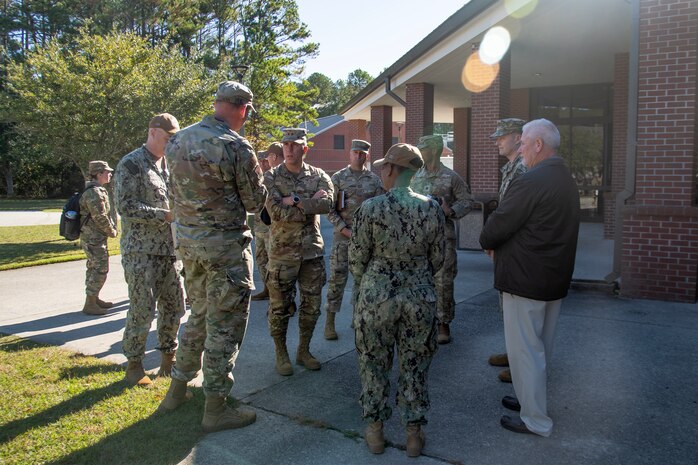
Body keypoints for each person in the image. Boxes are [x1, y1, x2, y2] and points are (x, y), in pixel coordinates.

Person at [158, 81, 267, 433]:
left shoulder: (177, 140)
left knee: (199, 317)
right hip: (224, 250)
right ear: (243, 108)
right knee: (226, 327)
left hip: (190, 245)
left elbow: (173, 192)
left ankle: (175, 392)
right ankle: (216, 408)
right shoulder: (235, 146)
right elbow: (254, 202)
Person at [479, 119, 580, 437]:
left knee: (526, 351)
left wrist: (487, 242)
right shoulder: (564, 176)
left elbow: (499, 224)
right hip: (551, 278)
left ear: (539, 145)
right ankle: (527, 400)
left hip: (525, 279)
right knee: (540, 349)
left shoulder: (531, 180)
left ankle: (535, 419)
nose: (520, 147)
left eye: (523, 141)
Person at [350, 143, 445, 458]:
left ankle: (375, 432)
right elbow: (438, 258)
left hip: (377, 297)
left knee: (374, 363)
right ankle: (413, 436)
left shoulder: (371, 208)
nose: (382, 172)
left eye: (384, 167)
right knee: (415, 364)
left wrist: (369, 286)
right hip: (419, 297)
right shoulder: (431, 208)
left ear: (392, 170)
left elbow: (358, 258)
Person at [113, 113, 186, 387]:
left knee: (174, 306)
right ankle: (134, 365)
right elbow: (125, 206)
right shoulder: (132, 164)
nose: (171, 143)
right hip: (141, 251)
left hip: (169, 250)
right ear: (153, 132)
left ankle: (168, 359)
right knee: (142, 307)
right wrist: (163, 215)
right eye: (168, 138)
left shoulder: (168, 166)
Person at [264, 127, 333, 376]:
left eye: (294, 145)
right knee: (279, 307)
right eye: (285, 144)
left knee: (311, 305)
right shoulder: (271, 177)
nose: (289, 149)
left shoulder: (319, 175)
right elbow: (275, 212)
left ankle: (304, 350)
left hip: (311, 253)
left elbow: (327, 203)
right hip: (282, 253)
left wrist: (291, 200)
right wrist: (306, 203)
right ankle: (280, 353)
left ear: (304, 148)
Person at [410, 134, 473, 344]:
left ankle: (443, 323)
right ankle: (422, 321)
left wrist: (450, 211)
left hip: (443, 238)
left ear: (435, 150)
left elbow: (467, 201)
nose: (421, 152)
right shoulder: (415, 176)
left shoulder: (451, 177)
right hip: (419, 238)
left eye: (424, 148)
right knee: (419, 279)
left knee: (443, 282)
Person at [324, 139, 384, 340]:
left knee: (362, 280)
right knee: (337, 280)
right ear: (350, 154)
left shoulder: (375, 181)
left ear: (367, 156)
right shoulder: (339, 178)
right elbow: (329, 209)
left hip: (365, 241)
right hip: (342, 238)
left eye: (362, 153)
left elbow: (379, 210)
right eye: (355, 152)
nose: (359, 156)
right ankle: (329, 323)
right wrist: (344, 229)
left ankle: (357, 318)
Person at [487, 118, 527, 384]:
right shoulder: (510, 168)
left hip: (516, 249)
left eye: (502, 136)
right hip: (506, 247)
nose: (497, 141)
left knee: (518, 309)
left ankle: (522, 365)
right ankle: (514, 354)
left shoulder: (523, 169)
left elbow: (517, 214)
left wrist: (496, 239)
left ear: (517, 137)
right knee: (507, 306)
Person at [79, 160, 118, 316]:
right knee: (100, 268)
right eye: (107, 172)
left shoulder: (97, 190)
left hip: (94, 237)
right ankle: (90, 303)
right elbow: (100, 217)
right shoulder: (94, 192)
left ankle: (94, 298)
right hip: (93, 238)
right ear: (99, 173)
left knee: (93, 267)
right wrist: (112, 231)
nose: (110, 174)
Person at [251, 142, 284, 301]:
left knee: (274, 263)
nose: (264, 163)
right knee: (261, 260)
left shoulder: (277, 177)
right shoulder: (260, 178)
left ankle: (278, 295)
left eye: (266, 160)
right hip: (259, 227)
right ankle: (266, 289)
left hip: (273, 228)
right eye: (261, 161)